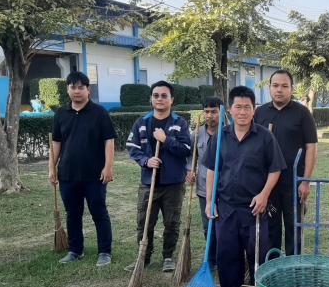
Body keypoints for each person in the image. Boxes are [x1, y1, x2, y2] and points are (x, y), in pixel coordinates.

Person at [203, 86, 286, 287]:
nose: (242, 112)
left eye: (247, 107)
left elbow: (275, 169)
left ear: (254, 110)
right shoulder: (220, 137)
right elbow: (212, 170)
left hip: (254, 208)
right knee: (227, 252)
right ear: (230, 110)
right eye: (238, 107)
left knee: (258, 252)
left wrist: (264, 194)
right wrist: (210, 201)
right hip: (226, 207)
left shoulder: (265, 137)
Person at [49, 71, 116, 266]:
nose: (77, 91)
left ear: (88, 90)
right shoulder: (61, 114)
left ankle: (105, 251)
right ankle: (75, 250)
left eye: (81, 87)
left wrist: (108, 167)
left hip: (95, 174)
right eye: (73, 87)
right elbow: (56, 143)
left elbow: (109, 140)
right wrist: (52, 167)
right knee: (73, 214)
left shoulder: (100, 112)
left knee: (99, 213)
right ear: (67, 89)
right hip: (68, 174)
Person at [125, 81, 191, 273]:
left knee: (171, 222)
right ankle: (144, 257)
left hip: (173, 183)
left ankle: (168, 257)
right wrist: (146, 161)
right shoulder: (141, 122)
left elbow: (186, 149)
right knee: (144, 221)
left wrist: (166, 140)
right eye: (156, 95)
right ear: (151, 99)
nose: (159, 99)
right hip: (149, 182)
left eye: (164, 95)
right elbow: (132, 147)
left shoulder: (180, 123)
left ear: (172, 99)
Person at [254, 70, 318, 256]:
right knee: (270, 229)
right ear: (269, 88)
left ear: (292, 89)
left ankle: (293, 268)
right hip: (267, 184)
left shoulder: (302, 113)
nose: (279, 90)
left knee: (294, 229)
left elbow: (311, 148)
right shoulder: (260, 113)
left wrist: (306, 181)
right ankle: (273, 266)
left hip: (294, 182)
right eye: (275, 86)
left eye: (284, 86)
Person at [185, 96, 222, 270]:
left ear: (221, 112)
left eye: (214, 112)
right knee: (208, 225)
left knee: (225, 226)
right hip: (203, 188)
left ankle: (225, 257)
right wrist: (189, 171)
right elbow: (191, 156)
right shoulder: (197, 134)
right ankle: (211, 259)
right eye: (206, 112)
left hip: (224, 187)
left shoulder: (228, 132)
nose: (209, 116)